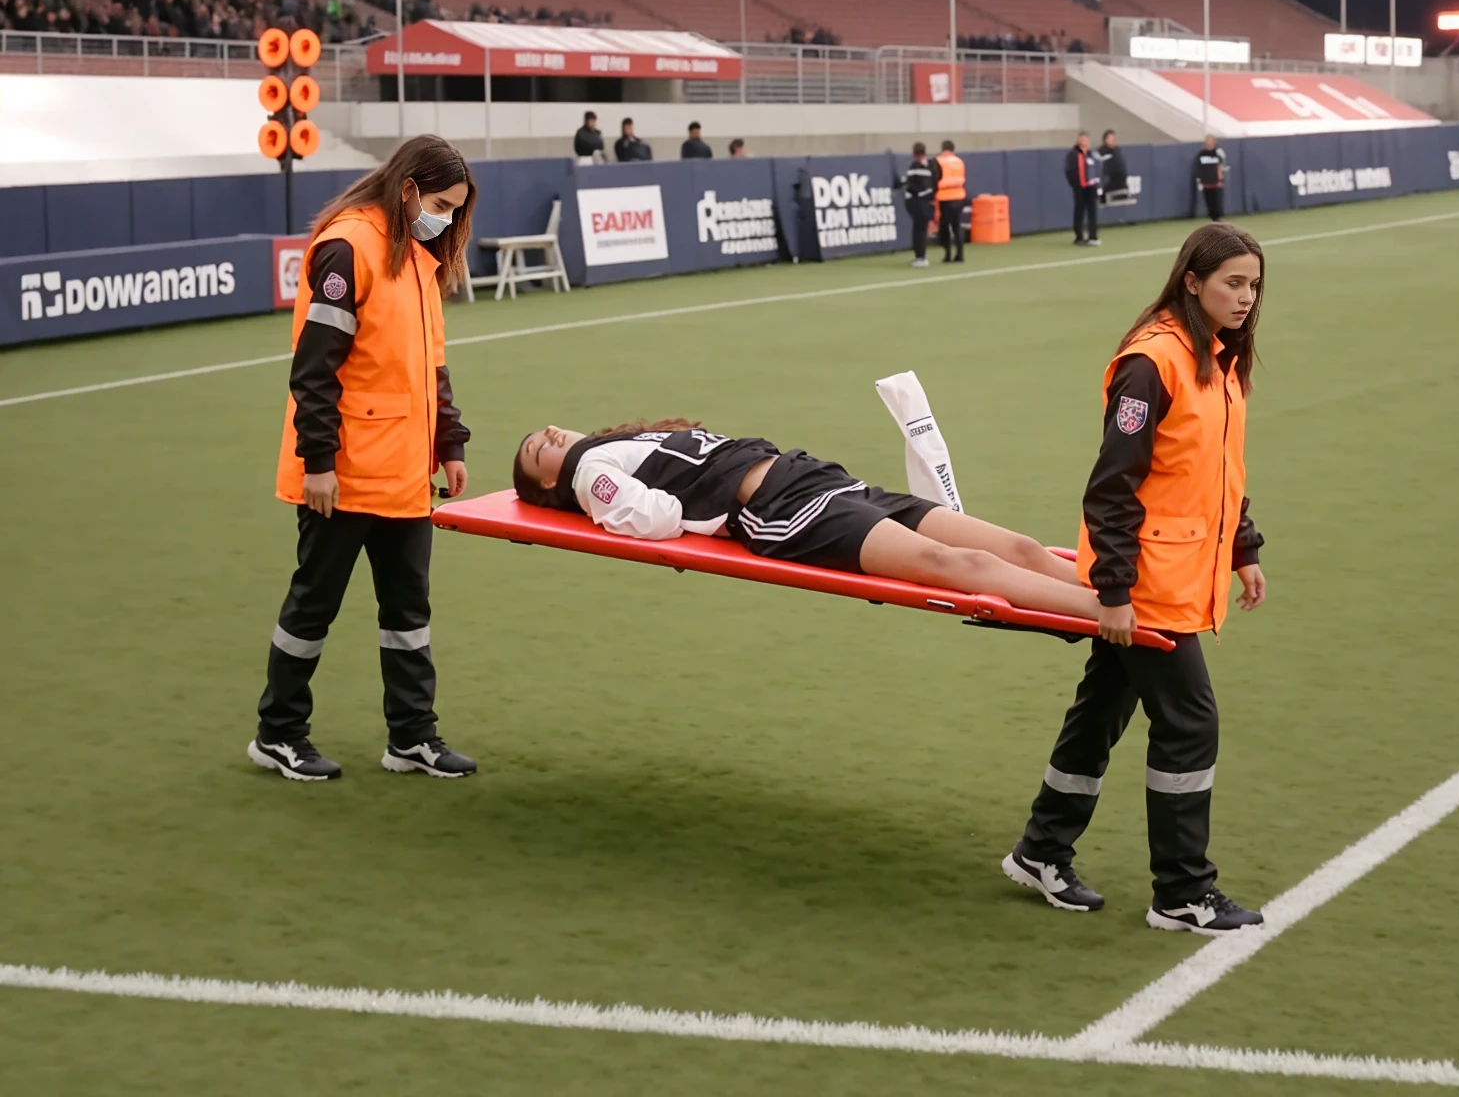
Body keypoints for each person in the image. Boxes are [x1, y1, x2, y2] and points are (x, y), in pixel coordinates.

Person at [1003, 223, 1268, 936]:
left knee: (1102, 712)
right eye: (1232, 283)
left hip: (1176, 575)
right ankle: (1183, 891)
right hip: (1150, 586)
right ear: (1192, 281)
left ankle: (1041, 849)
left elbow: (1215, 471)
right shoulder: (1153, 362)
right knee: (1190, 723)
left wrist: (1242, 546)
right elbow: (1112, 487)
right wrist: (1116, 591)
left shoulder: (1220, 356)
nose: (1245, 297)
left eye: (1253, 284)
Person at [254, 136, 480, 783]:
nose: (445, 219)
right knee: (312, 609)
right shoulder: (348, 248)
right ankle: (278, 734)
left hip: (404, 474)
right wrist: (319, 463)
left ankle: (412, 736)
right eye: (440, 205)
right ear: (408, 188)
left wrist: (450, 442)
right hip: (343, 475)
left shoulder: (418, 257)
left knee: (409, 613)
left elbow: (431, 365)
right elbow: (314, 370)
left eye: (454, 210)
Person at [512, 421, 1099, 621]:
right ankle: (1111, 612)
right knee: (955, 564)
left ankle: (1123, 593)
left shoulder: (613, 445)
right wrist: (692, 507)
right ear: (549, 485)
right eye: (538, 449)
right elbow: (654, 517)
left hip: (813, 478)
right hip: (782, 511)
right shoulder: (589, 472)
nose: (548, 435)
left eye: (543, 430)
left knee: (1022, 548)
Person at [896, 141, 938, 268]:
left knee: (918, 230)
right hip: (928, 202)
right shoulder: (932, 165)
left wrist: (903, 183)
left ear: (914, 154)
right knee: (922, 230)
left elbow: (912, 185)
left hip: (919, 203)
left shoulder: (915, 167)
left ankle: (920, 257)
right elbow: (935, 182)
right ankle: (921, 256)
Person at [1065, 132, 1102, 246]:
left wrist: (1097, 182)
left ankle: (1093, 236)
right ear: (1078, 140)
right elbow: (1069, 171)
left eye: (1087, 139)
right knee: (1079, 211)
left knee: (1092, 212)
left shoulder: (1092, 154)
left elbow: (1097, 168)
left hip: (1091, 187)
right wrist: (1076, 184)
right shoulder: (1073, 154)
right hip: (1080, 188)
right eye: (1083, 139)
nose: (1085, 142)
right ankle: (1079, 237)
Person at [934, 139, 967, 262]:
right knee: (957, 226)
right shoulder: (959, 161)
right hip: (959, 196)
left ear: (943, 148)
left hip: (944, 198)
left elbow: (935, 180)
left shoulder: (938, 161)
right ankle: (960, 254)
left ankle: (947, 254)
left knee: (944, 227)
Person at [1194, 135, 1228, 221]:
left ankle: (1219, 218)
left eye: (1210, 140)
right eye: (1207, 140)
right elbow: (1198, 167)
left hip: (1216, 182)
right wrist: (1199, 180)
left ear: (1214, 142)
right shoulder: (1201, 154)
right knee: (1209, 203)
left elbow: (1223, 165)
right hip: (1205, 183)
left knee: (1217, 202)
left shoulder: (1218, 153)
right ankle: (1213, 219)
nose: (1208, 142)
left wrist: (1220, 178)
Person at [1097, 130, 1129, 201]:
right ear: (1105, 140)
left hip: (1119, 183)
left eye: (1114, 138)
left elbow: (1122, 171)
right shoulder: (1101, 152)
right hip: (1107, 182)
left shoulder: (1117, 152)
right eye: (1111, 138)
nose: (1113, 140)